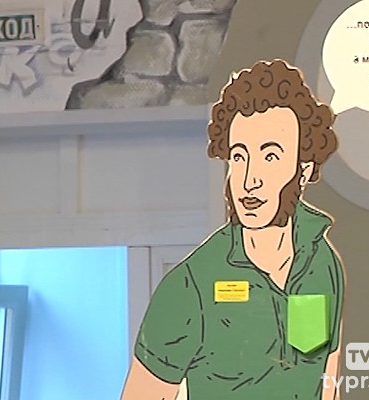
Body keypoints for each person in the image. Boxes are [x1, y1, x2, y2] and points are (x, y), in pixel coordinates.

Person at [121, 59, 345, 400]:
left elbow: (323, 375)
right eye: (239, 157)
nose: (249, 179)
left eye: (270, 157)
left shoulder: (321, 263)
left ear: (303, 170)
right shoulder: (190, 286)